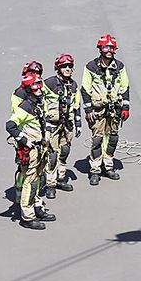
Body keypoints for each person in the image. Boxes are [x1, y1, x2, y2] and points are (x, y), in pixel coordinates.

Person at [6, 68, 54, 230]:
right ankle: (27, 216)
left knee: (40, 180)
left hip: (42, 148)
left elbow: (45, 120)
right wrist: (25, 141)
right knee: (30, 182)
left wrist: (47, 136)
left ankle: (37, 207)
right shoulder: (25, 107)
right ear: (28, 90)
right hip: (32, 150)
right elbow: (10, 125)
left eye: (40, 86)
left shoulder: (39, 104)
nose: (40, 89)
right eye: (36, 87)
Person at [84, 34, 129, 185]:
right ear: (100, 49)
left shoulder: (120, 67)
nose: (109, 50)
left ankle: (108, 166)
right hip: (98, 110)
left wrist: (126, 107)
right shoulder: (91, 67)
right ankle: (95, 170)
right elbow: (85, 89)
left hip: (114, 109)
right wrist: (88, 110)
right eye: (106, 47)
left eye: (111, 47)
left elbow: (125, 87)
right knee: (97, 139)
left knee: (112, 138)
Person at [41, 54, 81, 198]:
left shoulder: (74, 85)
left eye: (70, 66)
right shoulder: (49, 83)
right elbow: (39, 101)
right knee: (52, 155)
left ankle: (61, 178)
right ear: (58, 68)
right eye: (64, 66)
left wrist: (78, 124)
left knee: (64, 152)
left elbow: (77, 105)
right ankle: (50, 184)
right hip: (52, 125)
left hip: (67, 125)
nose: (68, 68)